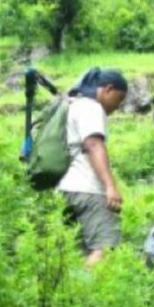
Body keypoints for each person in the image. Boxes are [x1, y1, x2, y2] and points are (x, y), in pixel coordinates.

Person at [56, 68, 128, 267]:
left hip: (64, 188)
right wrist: (110, 186)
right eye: (119, 98)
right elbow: (93, 144)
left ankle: (70, 293)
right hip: (87, 189)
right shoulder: (91, 107)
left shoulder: (71, 105)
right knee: (105, 248)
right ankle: (84, 297)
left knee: (79, 251)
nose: (118, 106)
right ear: (108, 89)